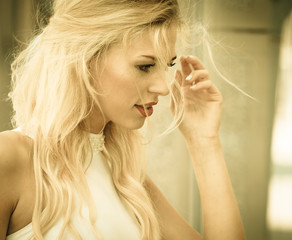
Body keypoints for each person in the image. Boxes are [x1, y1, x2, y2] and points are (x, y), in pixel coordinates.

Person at [0, 0, 245, 239]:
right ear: (85, 57)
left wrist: (205, 141)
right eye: (145, 66)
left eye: (167, 65)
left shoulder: (128, 181)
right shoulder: (10, 157)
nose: (164, 87)